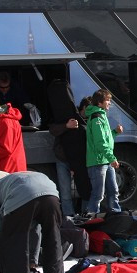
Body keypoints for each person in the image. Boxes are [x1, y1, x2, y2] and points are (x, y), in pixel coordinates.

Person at [48, 87, 92, 217]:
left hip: (79, 159)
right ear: (82, 108)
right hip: (63, 158)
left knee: (85, 188)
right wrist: (66, 126)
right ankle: (69, 217)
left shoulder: (90, 121)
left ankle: (84, 215)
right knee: (65, 191)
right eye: (87, 110)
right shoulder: (67, 115)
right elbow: (53, 129)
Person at [84, 89, 123, 216]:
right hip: (98, 161)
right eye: (108, 100)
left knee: (113, 190)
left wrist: (115, 132)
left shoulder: (101, 116)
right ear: (100, 103)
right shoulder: (97, 118)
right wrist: (112, 158)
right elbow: (100, 142)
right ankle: (91, 217)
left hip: (104, 160)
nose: (109, 103)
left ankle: (115, 215)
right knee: (98, 194)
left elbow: (105, 139)